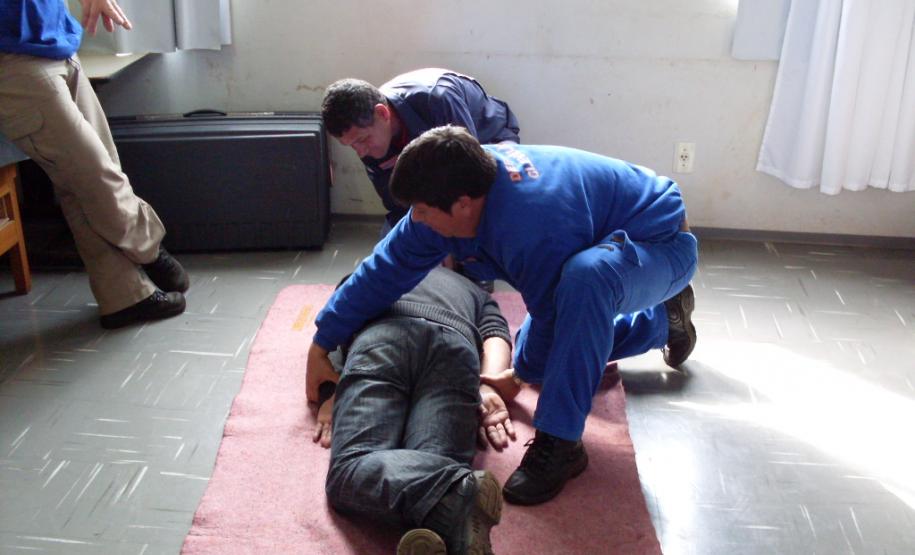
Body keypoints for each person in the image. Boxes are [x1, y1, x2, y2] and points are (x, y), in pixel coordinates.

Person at [306, 125, 699, 507]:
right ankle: (663, 322)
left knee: (583, 286)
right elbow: (386, 267)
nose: (417, 218)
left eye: (422, 211)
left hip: (660, 244)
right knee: (545, 351)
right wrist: (322, 341)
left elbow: (553, 320)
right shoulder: (450, 188)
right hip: (595, 242)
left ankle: (562, 443)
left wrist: (518, 377)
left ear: (463, 205)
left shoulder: (533, 221)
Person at [0, 0, 188, 329]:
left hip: (57, 42)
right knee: (93, 175)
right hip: (14, 62)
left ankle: (124, 299)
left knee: (88, 178)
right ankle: (148, 249)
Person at [306, 266, 519, 555]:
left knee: (352, 471)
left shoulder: (375, 267)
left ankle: (460, 489)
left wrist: (332, 391)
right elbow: (497, 336)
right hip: (454, 349)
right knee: (434, 485)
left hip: (383, 338)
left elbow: (334, 323)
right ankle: (457, 493)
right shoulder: (476, 292)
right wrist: (489, 386)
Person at [321, 68, 521, 234]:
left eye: (362, 140)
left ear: (382, 113)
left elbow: (471, 173)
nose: (361, 152)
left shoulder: (437, 100)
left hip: (489, 141)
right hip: (443, 169)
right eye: (351, 145)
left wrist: (450, 242)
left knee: (482, 212)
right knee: (396, 241)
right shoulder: (366, 137)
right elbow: (398, 203)